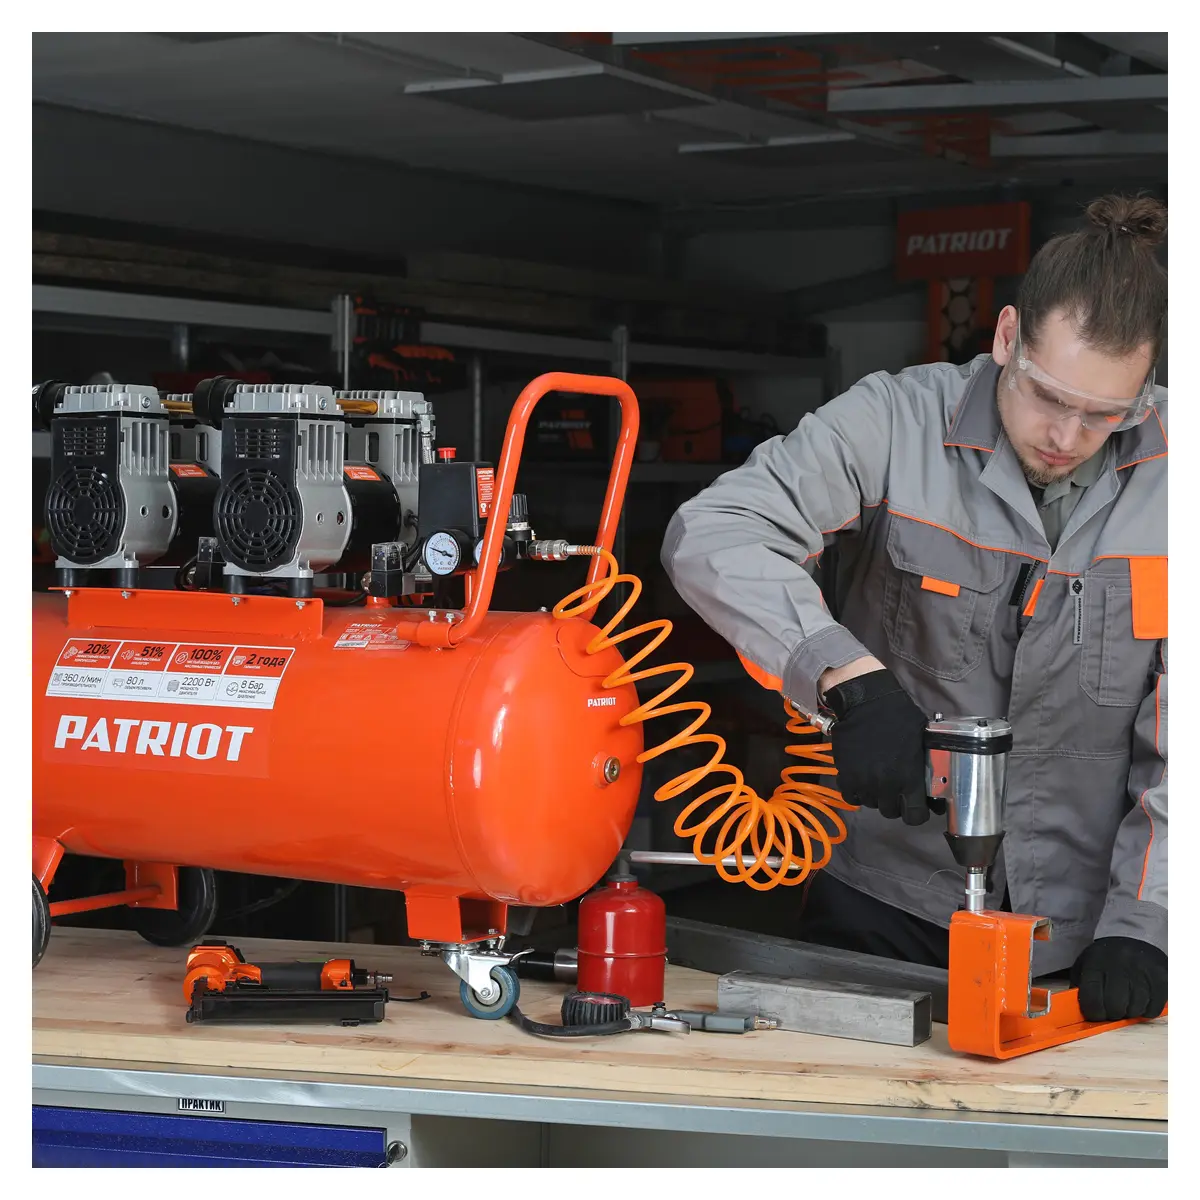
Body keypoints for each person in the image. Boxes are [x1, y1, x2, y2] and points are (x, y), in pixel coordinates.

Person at [661, 195, 1167, 1023]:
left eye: (1104, 414)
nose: (1068, 436)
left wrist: (1148, 919)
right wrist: (847, 680)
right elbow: (715, 530)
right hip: (887, 901)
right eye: (1048, 396)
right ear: (1006, 337)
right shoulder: (895, 422)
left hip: (1090, 928)